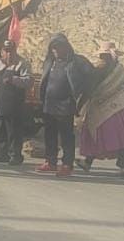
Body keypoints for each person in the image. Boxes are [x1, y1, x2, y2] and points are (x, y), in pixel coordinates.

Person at [75, 42, 124, 178]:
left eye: (102, 56)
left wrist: (78, 106)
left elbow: (88, 90)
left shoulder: (99, 71)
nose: (100, 58)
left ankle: (89, 161)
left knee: (96, 132)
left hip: (109, 109)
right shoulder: (120, 71)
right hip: (123, 107)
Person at [37, 33, 92, 177]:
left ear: (66, 47)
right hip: (49, 104)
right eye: (53, 47)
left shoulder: (76, 62)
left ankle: (67, 164)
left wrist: (81, 99)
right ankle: (51, 162)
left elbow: (91, 78)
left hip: (65, 105)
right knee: (50, 134)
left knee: (66, 136)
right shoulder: (50, 62)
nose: (55, 50)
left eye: (58, 47)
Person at [0, 40, 32, 166]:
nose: (9, 54)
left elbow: (28, 81)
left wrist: (13, 79)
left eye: (12, 51)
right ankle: (0, 153)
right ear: (2, 52)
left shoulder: (22, 64)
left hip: (14, 105)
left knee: (13, 131)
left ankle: (15, 155)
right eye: (7, 51)